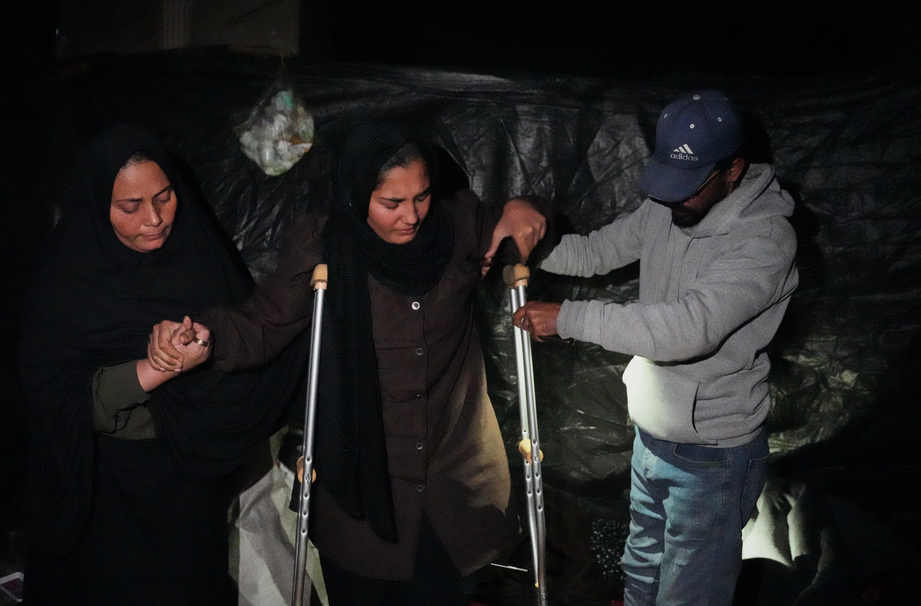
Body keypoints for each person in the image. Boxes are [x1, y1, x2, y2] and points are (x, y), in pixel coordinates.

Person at [149, 120, 548, 605]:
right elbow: (266, 322)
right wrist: (206, 337)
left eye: (420, 197)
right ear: (359, 196)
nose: (412, 216)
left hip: (457, 483)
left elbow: (520, 232)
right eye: (392, 204)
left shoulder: (459, 223)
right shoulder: (324, 245)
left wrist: (522, 208)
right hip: (359, 485)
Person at [512, 90, 799, 605]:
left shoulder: (764, 240)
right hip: (653, 440)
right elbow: (598, 252)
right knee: (640, 575)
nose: (670, 200)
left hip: (713, 458)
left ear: (732, 170)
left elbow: (689, 328)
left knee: (687, 596)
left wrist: (570, 318)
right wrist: (529, 241)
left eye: (687, 187)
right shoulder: (670, 208)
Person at [18, 124, 304, 605]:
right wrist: (161, 365)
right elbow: (60, 402)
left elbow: (251, 343)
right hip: (102, 492)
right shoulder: (65, 283)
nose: (154, 219)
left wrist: (211, 343)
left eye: (165, 197)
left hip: (185, 488)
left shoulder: (200, 255)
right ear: (98, 205)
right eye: (130, 207)